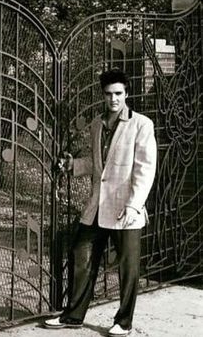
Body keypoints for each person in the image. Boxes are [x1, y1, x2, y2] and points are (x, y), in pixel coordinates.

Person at [43, 68, 157, 336]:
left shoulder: (142, 124)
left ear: (126, 93)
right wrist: (73, 165)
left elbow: (145, 168)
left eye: (118, 93)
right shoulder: (97, 123)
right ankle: (73, 316)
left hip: (127, 208)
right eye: (108, 94)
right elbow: (98, 166)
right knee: (80, 255)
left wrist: (134, 204)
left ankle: (123, 322)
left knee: (128, 268)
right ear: (102, 95)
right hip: (98, 206)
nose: (113, 99)